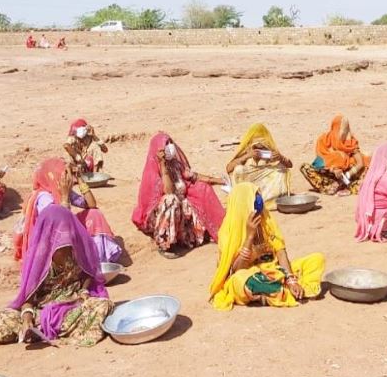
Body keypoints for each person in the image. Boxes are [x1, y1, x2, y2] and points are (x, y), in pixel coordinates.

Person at [0, 205, 112, 347]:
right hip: (42, 312)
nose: (65, 236)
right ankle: (36, 330)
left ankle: (45, 332)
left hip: (72, 307)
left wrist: (83, 291)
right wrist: (27, 318)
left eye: (67, 230)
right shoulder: (39, 259)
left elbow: (89, 273)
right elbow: (28, 298)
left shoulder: (77, 250)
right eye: (60, 232)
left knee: (103, 305)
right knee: (0, 322)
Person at [209, 182, 325, 310]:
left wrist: (291, 280)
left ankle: (279, 291)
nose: (259, 203)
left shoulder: (266, 221)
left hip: (275, 271)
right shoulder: (228, 232)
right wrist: (249, 238)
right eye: (255, 199)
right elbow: (235, 271)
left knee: (316, 259)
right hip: (249, 275)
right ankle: (280, 292)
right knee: (240, 281)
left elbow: (281, 252)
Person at [133, 132, 226, 259]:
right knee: (171, 200)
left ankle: (196, 234)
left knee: (202, 188)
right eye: (165, 144)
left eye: (170, 143)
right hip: (163, 213)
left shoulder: (176, 165)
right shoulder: (154, 169)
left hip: (180, 209)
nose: (170, 146)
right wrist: (163, 164)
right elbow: (169, 190)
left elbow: (193, 176)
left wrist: (218, 180)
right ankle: (165, 243)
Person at [14, 158, 121, 263]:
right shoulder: (44, 197)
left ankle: (98, 260)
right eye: (64, 174)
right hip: (49, 241)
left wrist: (79, 179)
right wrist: (65, 197)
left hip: (64, 230)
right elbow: (59, 225)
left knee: (94, 213)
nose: (68, 177)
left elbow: (91, 204)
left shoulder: (61, 189)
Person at [300, 115, 369, 196]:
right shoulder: (324, 140)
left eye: (346, 130)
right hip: (329, 173)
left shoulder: (350, 141)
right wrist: (332, 169)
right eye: (342, 130)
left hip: (347, 175)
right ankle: (333, 186)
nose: (344, 133)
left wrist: (348, 174)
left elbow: (360, 163)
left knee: (366, 173)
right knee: (305, 167)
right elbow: (318, 163)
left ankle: (345, 186)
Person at [226, 123, 292, 207]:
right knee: (239, 169)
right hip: (248, 181)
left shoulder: (269, 150)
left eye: (261, 147)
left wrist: (281, 158)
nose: (259, 150)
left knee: (281, 169)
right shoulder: (247, 150)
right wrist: (247, 156)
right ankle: (243, 199)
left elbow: (289, 165)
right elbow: (229, 168)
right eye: (256, 147)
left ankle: (270, 200)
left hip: (264, 182)